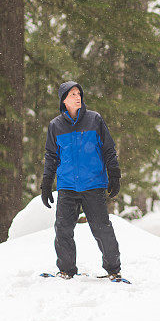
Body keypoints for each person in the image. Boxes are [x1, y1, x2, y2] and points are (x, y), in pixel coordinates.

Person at [41, 81, 122, 280]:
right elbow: (51, 157)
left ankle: (113, 269)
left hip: (93, 184)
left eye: (79, 93)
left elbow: (108, 149)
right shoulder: (55, 126)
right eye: (72, 94)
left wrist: (114, 174)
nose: (78, 97)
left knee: (102, 229)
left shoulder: (95, 120)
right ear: (64, 100)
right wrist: (46, 183)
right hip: (67, 186)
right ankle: (66, 270)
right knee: (63, 230)